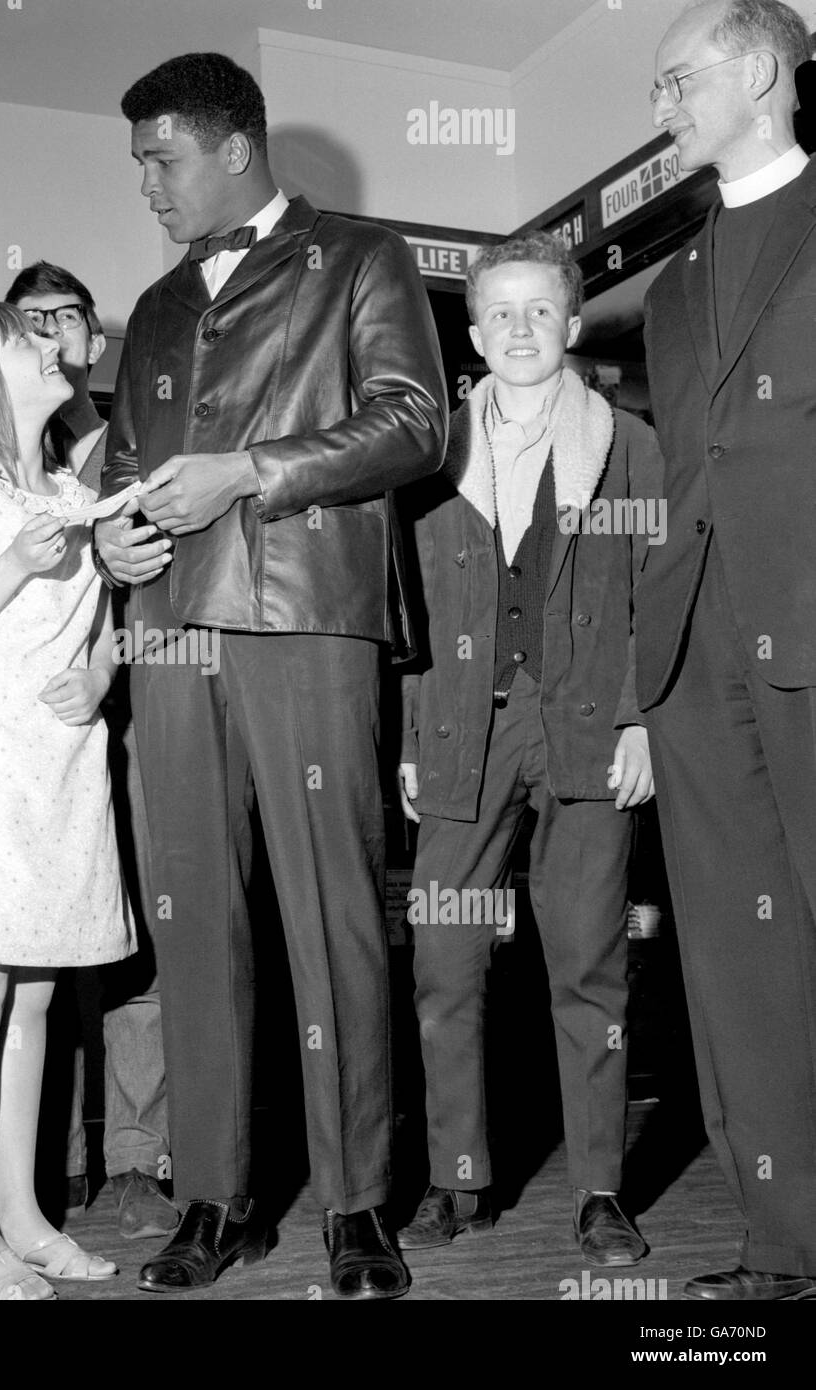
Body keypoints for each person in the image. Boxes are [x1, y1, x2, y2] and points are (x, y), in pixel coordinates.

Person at [96, 53, 447, 1298]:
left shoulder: (362, 255)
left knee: (333, 909)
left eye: (161, 157)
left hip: (305, 612)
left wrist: (247, 472)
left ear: (234, 148)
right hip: (170, 628)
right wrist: (113, 530)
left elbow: (416, 421)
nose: (144, 182)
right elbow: (126, 469)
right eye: (138, 160)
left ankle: (357, 1203)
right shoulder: (146, 309)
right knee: (192, 918)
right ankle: (215, 1193)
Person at [396, 231, 659, 1267]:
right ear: (471, 332)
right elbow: (411, 612)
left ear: (573, 322)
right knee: (444, 963)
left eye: (538, 310)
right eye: (498, 312)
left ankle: (599, 1187)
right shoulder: (429, 454)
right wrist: (416, 739)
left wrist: (639, 713)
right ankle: (458, 1179)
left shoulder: (629, 445)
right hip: (467, 727)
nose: (518, 329)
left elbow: (657, 586)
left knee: (588, 962)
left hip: (588, 725)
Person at [640, 0, 816, 1300]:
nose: (663, 108)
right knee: (742, 961)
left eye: (677, 80)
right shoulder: (671, 283)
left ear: (758, 68)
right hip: (699, 650)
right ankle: (783, 1247)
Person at [0, 302, 134, 1299]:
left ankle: (21, 1213)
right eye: (22, 342)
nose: (50, 348)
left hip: (62, 756)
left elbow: (114, 616)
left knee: (37, 994)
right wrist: (15, 561)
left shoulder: (75, 493)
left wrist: (99, 675)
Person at [5, 261, 177, 1241]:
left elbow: (155, 586)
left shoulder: (133, 441)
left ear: (92, 339)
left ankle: (134, 1156)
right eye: (26, 321)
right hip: (22, 734)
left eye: (63, 318)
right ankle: (26, 1171)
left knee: (138, 944)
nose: (46, 336)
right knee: (22, 950)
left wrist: (110, 674)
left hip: (133, 719)